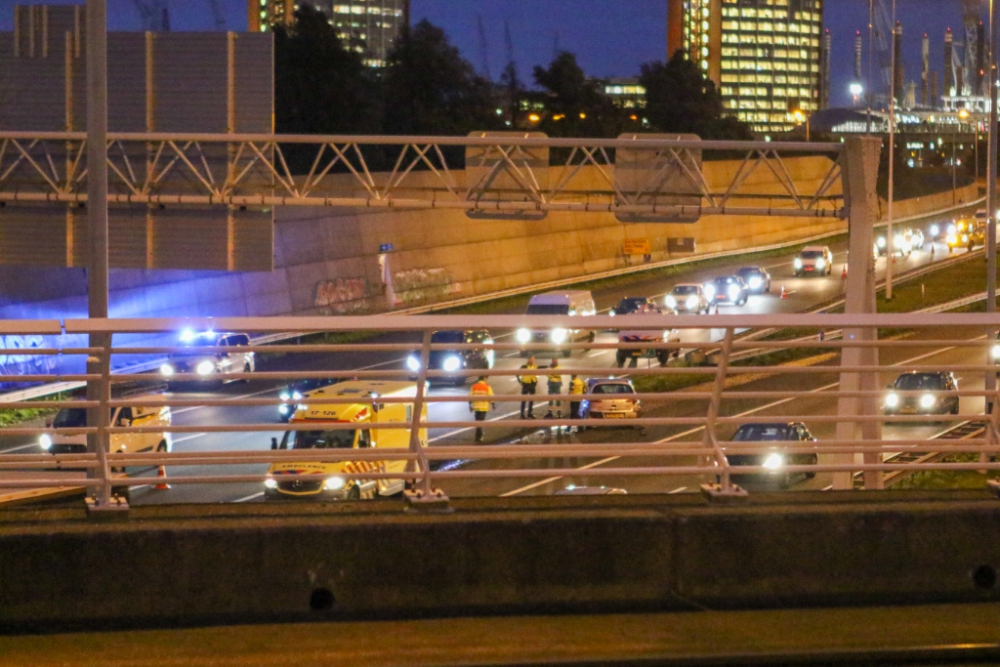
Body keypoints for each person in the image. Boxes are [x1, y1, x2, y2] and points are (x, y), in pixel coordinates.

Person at [468, 376, 495, 443]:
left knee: (478, 422)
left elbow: (470, 397)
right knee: (480, 422)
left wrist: (470, 406)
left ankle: (478, 436)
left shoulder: (474, 386)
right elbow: (491, 397)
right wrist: (493, 404)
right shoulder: (487, 387)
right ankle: (479, 437)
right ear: (484, 379)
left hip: (476, 407)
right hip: (483, 407)